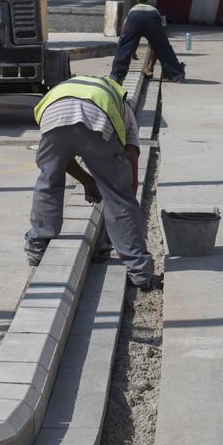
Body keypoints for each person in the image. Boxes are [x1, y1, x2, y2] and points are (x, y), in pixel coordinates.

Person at [25, 75, 161, 290]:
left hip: (54, 113)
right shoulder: (123, 109)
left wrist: (89, 181)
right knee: (119, 196)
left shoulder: (69, 86)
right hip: (96, 117)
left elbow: (63, 160)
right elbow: (131, 156)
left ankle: (37, 248)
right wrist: (123, 194)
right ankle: (140, 273)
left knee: (49, 180)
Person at [110, 2, 185, 84]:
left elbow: (129, 40)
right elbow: (156, 46)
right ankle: (177, 75)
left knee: (124, 46)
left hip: (134, 17)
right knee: (163, 47)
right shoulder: (156, 13)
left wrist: (133, 51)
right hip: (152, 18)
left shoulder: (131, 13)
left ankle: (116, 76)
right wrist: (150, 67)